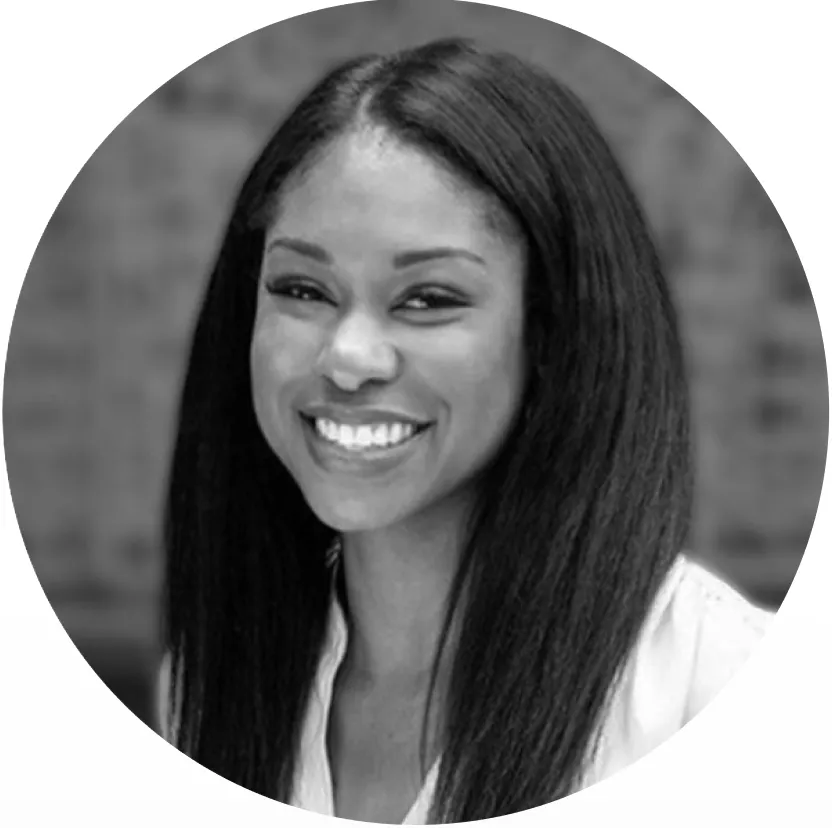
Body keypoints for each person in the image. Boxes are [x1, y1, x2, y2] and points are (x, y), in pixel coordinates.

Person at [159, 38, 773, 823]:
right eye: (303, 288)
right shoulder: (201, 690)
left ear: (551, 332)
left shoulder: (717, 686)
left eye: (428, 299)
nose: (348, 357)